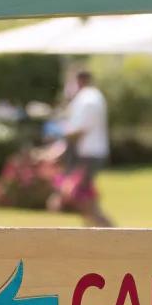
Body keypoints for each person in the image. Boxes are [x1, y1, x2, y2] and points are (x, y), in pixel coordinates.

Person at [45, 69, 113, 227]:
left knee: (82, 198)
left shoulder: (88, 98)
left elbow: (79, 130)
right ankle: (96, 232)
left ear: (79, 81)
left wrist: (58, 134)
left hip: (88, 155)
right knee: (83, 199)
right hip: (88, 154)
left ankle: (111, 232)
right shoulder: (89, 97)